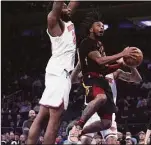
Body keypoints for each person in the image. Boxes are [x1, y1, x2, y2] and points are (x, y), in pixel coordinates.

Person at [69, 10, 139, 143]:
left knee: (107, 123)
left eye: (103, 26)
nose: (102, 27)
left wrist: (121, 64)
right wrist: (122, 54)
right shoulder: (86, 43)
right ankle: (78, 126)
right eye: (98, 25)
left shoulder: (100, 45)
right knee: (101, 97)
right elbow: (100, 61)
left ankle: (81, 131)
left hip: (102, 81)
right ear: (90, 29)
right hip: (91, 78)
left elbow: (104, 68)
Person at [26, 1, 79, 144]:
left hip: (56, 71)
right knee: (54, 120)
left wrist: (67, 7)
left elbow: (73, 4)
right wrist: (59, 4)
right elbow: (57, 6)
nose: (67, 8)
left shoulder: (66, 20)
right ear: (57, 9)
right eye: (63, 6)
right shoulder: (53, 21)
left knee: (42, 115)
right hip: (60, 73)